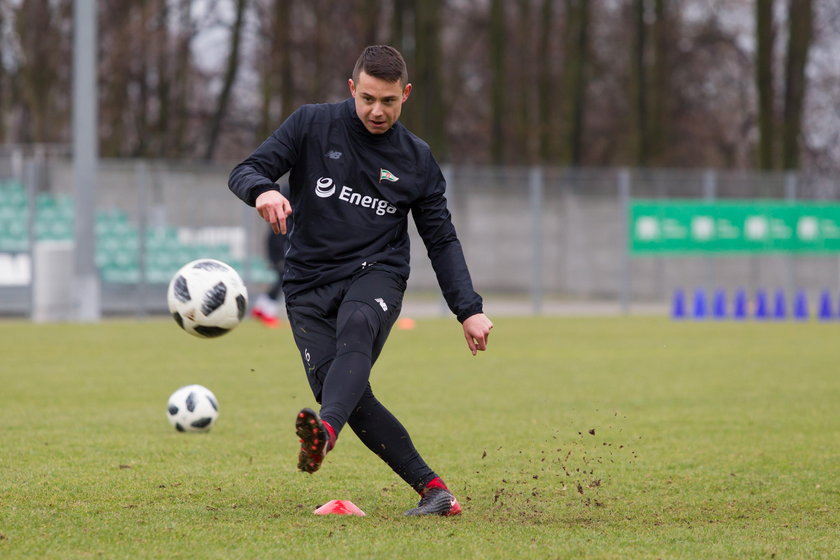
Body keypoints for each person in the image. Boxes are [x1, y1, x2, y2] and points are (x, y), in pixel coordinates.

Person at [228, 45, 493, 517]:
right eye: (368, 98)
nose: (376, 110)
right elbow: (245, 170)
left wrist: (468, 309)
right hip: (306, 284)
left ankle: (324, 435)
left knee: (356, 326)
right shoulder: (311, 124)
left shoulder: (416, 159)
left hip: (378, 272)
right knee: (348, 393)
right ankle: (435, 490)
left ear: (405, 95)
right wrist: (264, 190)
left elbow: (442, 240)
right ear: (352, 89)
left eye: (388, 101)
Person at [251, 186, 291, 328]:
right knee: (282, 278)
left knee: (281, 278)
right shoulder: (286, 201)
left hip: (280, 245)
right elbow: (276, 236)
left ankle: (262, 308)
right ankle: (266, 310)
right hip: (279, 247)